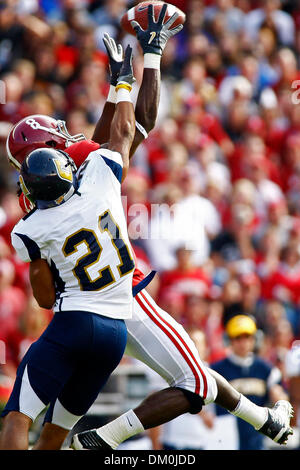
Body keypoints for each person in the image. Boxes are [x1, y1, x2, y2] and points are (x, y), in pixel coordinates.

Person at [5, 6, 293, 451]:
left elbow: (127, 127)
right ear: (50, 153)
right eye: (58, 136)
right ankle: (104, 439)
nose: (67, 136)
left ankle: (265, 421)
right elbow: (131, 127)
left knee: (191, 374)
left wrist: (144, 62)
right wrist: (143, 62)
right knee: (194, 377)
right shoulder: (93, 173)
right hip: (122, 297)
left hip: (83, 308)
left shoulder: (41, 211)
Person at [0, 44, 137, 450]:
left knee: (18, 419)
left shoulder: (30, 227)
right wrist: (122, 86)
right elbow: (123, 134)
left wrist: (42, 256)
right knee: (57, 435)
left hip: (75, 320)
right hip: (116, 331)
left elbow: (43, 298)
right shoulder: (100, 177)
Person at [209, 314, 290, 450]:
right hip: (224, 440)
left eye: (247, 337)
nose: (243, 342)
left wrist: (280, 398)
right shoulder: (215, 370)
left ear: (255, 339)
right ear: (228, 340)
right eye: (237, 338)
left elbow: (283, 400)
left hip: (257, 440)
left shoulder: (267, 370)